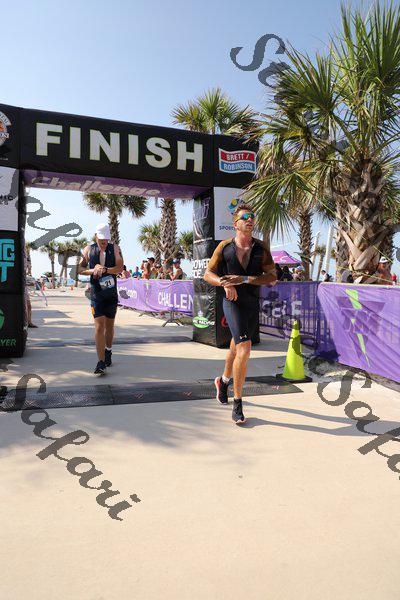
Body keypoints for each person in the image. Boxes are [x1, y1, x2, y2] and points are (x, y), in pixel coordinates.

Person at [204, 204, 277, 425]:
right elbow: (208, 273)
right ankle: (238, 403)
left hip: (251, 303)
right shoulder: (224, 247)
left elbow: (272, 277)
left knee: (236, 347)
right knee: (244, 348)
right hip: (232, 302)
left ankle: (223, 381)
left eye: (252, 217)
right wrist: (224, 283)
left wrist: (244, 279)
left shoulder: (261, 248)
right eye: (245, 217)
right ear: (236, 223)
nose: (250, 219)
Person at [79, 223, 123, 375]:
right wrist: (94, 270)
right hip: (97, 293)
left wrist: (105, 269)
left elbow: (119, 268)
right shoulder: (88, 249)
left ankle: (108, 350)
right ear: (96, 236)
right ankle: (100, 362)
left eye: (106, 239)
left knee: (109, 326)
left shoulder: (115, 248)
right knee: (99, 326)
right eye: (101, 239)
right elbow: (80, 269)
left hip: (111, 293)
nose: (104, 242)